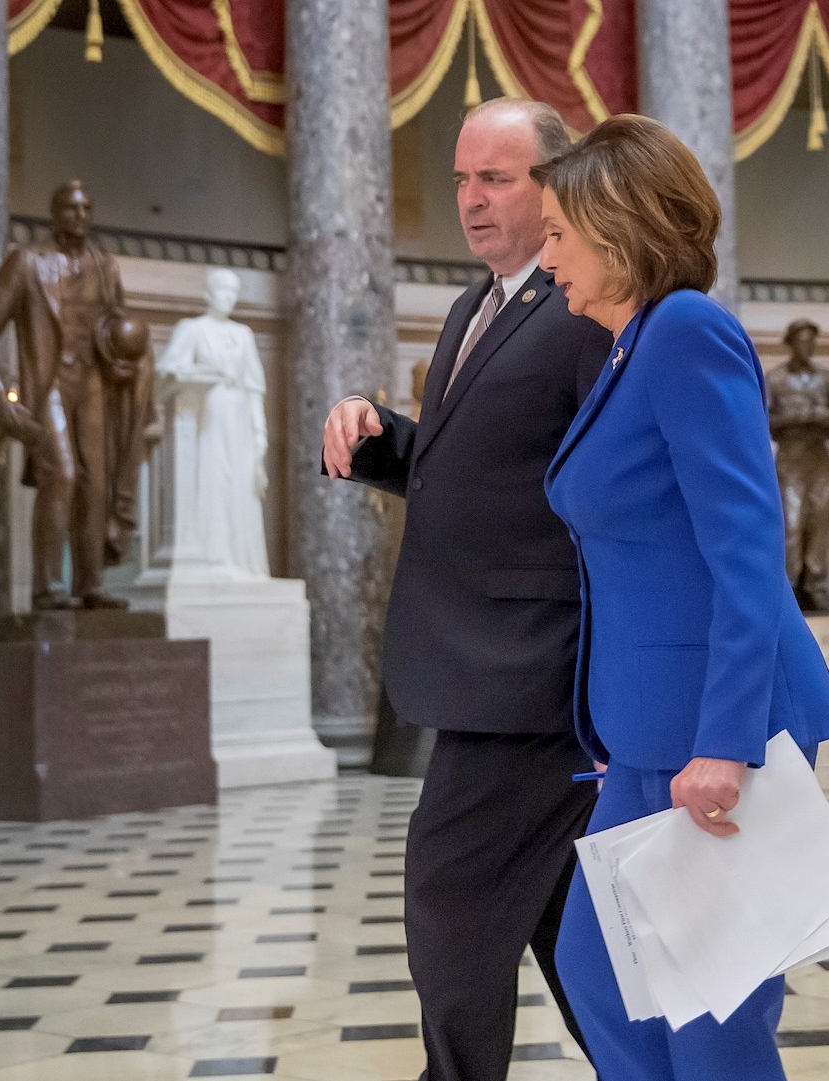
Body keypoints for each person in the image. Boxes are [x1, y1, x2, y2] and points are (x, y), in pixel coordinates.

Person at [536, 114, 829, 1081]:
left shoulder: (685, 332)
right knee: (598, 975)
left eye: (558, 234)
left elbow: (747, 552)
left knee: (714, 1019)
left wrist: (726, 741)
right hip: (646, 733)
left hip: (709, 731)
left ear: (616, 228)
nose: (546, 260)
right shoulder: (630, 348)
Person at [321, 99, 613, 1081]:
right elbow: (481, 469)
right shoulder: (470, 308)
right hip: (489, 668)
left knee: (449, 897)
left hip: (534, 670)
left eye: (497, 178)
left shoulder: (580, 310)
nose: (472, 198)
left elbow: (602, 485)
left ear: (554, 186)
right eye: (461, 179)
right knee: (564, 923)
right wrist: (381, 439)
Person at [0, 181, 150, 609]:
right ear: (53, 214)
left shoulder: (106, 267)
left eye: (86, 209)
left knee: (95, 485)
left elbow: (114, 331)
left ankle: (89, 584)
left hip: (94, 385)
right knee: (62, 475)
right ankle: (47, 585)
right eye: (70, 208)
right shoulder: (27, 263)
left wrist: (126, 363)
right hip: (49, 385)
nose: (79, 216)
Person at [157, 268, 271, 579]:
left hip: (239, 420)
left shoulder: (243, 335)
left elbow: (254, 388)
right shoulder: (192, 329)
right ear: (208, 294)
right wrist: (195, 372)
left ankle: (241, 561)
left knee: (241, 488)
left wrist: (259, 434)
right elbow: (167, 368)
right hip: (207, 417)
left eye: (234, 291)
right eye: (223, 290)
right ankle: (215, 558)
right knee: (214, 483)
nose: (229, 297)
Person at [765, 318, 829, 608]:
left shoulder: (826, 378)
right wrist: (799, 418)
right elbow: (763, 418)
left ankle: (816, 585)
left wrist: (819, 414)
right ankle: (790, 585)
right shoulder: (775, 379)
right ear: (791, 344)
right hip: (791, 458)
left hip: (819, 457)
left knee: (820, 521)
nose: (808, 347)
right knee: (792, 523)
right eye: (802, 341)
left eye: (812, 342)